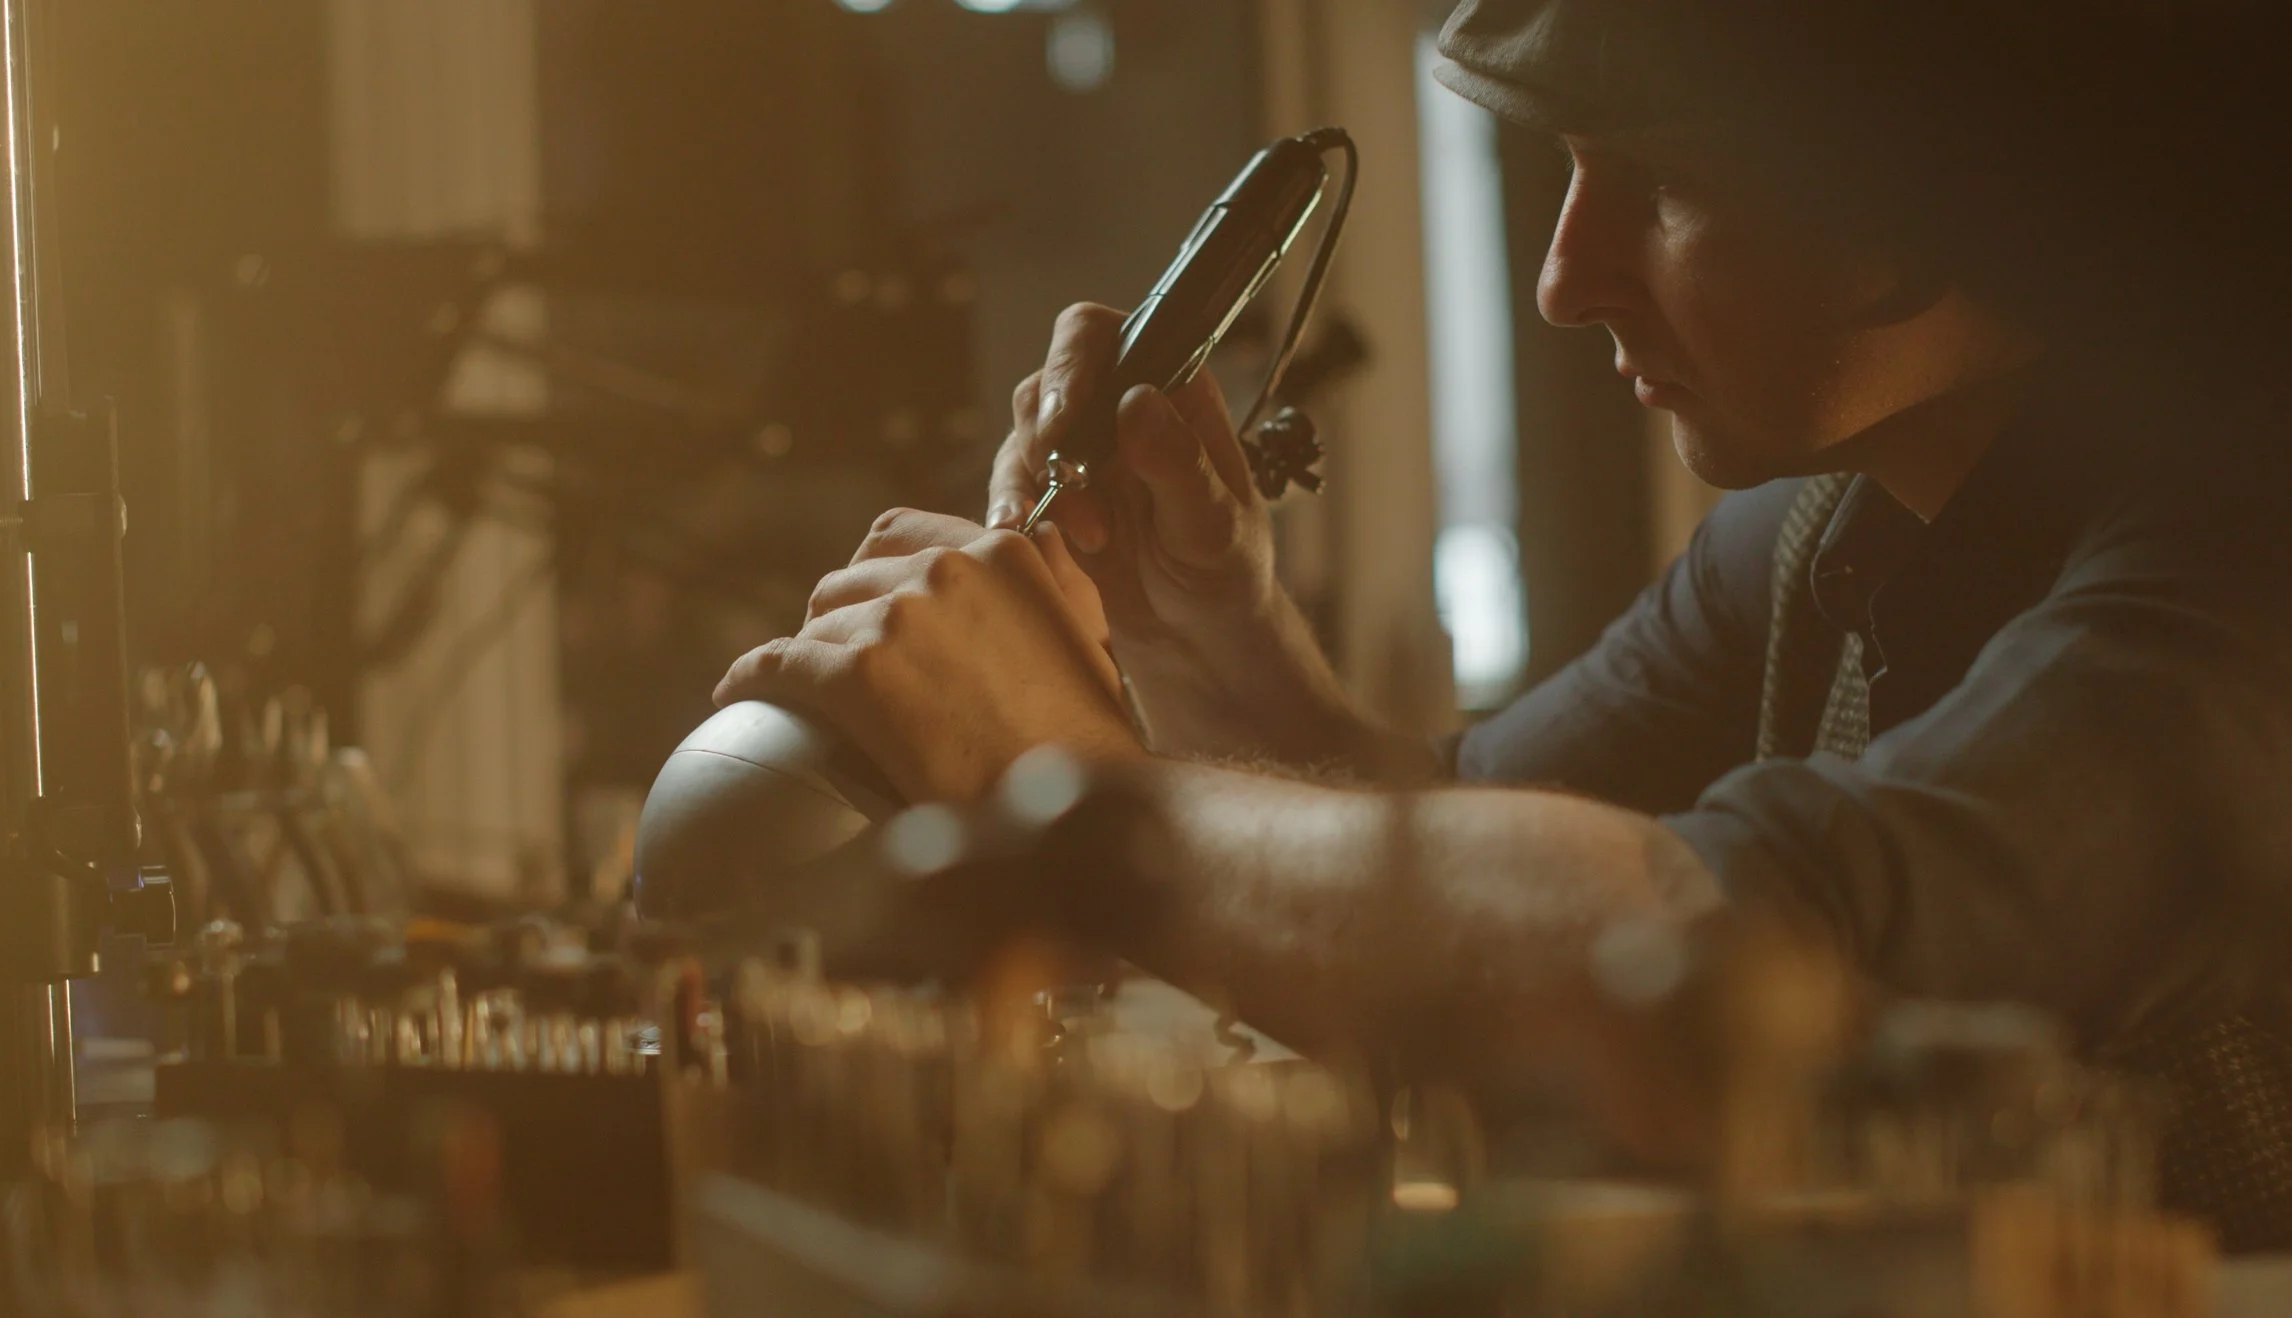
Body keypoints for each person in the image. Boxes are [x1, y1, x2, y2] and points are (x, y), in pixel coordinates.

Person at [714, 0, 2292, 1248]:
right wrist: (1207, 639)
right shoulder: (1822, 540)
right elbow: (1450, 845)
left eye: (1666, 182)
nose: (1561, 277)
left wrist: (1075, 800)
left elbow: (1714, 970)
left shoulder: (2241, 583)